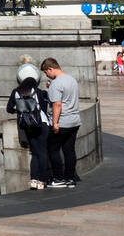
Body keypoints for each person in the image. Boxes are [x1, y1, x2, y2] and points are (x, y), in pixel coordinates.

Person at [6, 62, 53, 190]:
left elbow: (9, 109)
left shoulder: (16, 92)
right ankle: (42, 180)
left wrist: (21, 110)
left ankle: (33, 179)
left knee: (35, 152)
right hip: (41, 124)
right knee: (42, 152)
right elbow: (44, 108)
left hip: (27, 125)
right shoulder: (37, 92)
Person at [41, 58, 81, 188]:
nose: (47, 75)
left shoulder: (56, 84)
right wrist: (51, 86)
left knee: (53, 149)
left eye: (46, 73)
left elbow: (57, 104)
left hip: (62, 122)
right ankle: (70, 178)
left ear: (50, 69)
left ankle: (58, 178)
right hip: (74, 121)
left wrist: (55, 123)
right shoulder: (72, 80)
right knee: (69, 150)